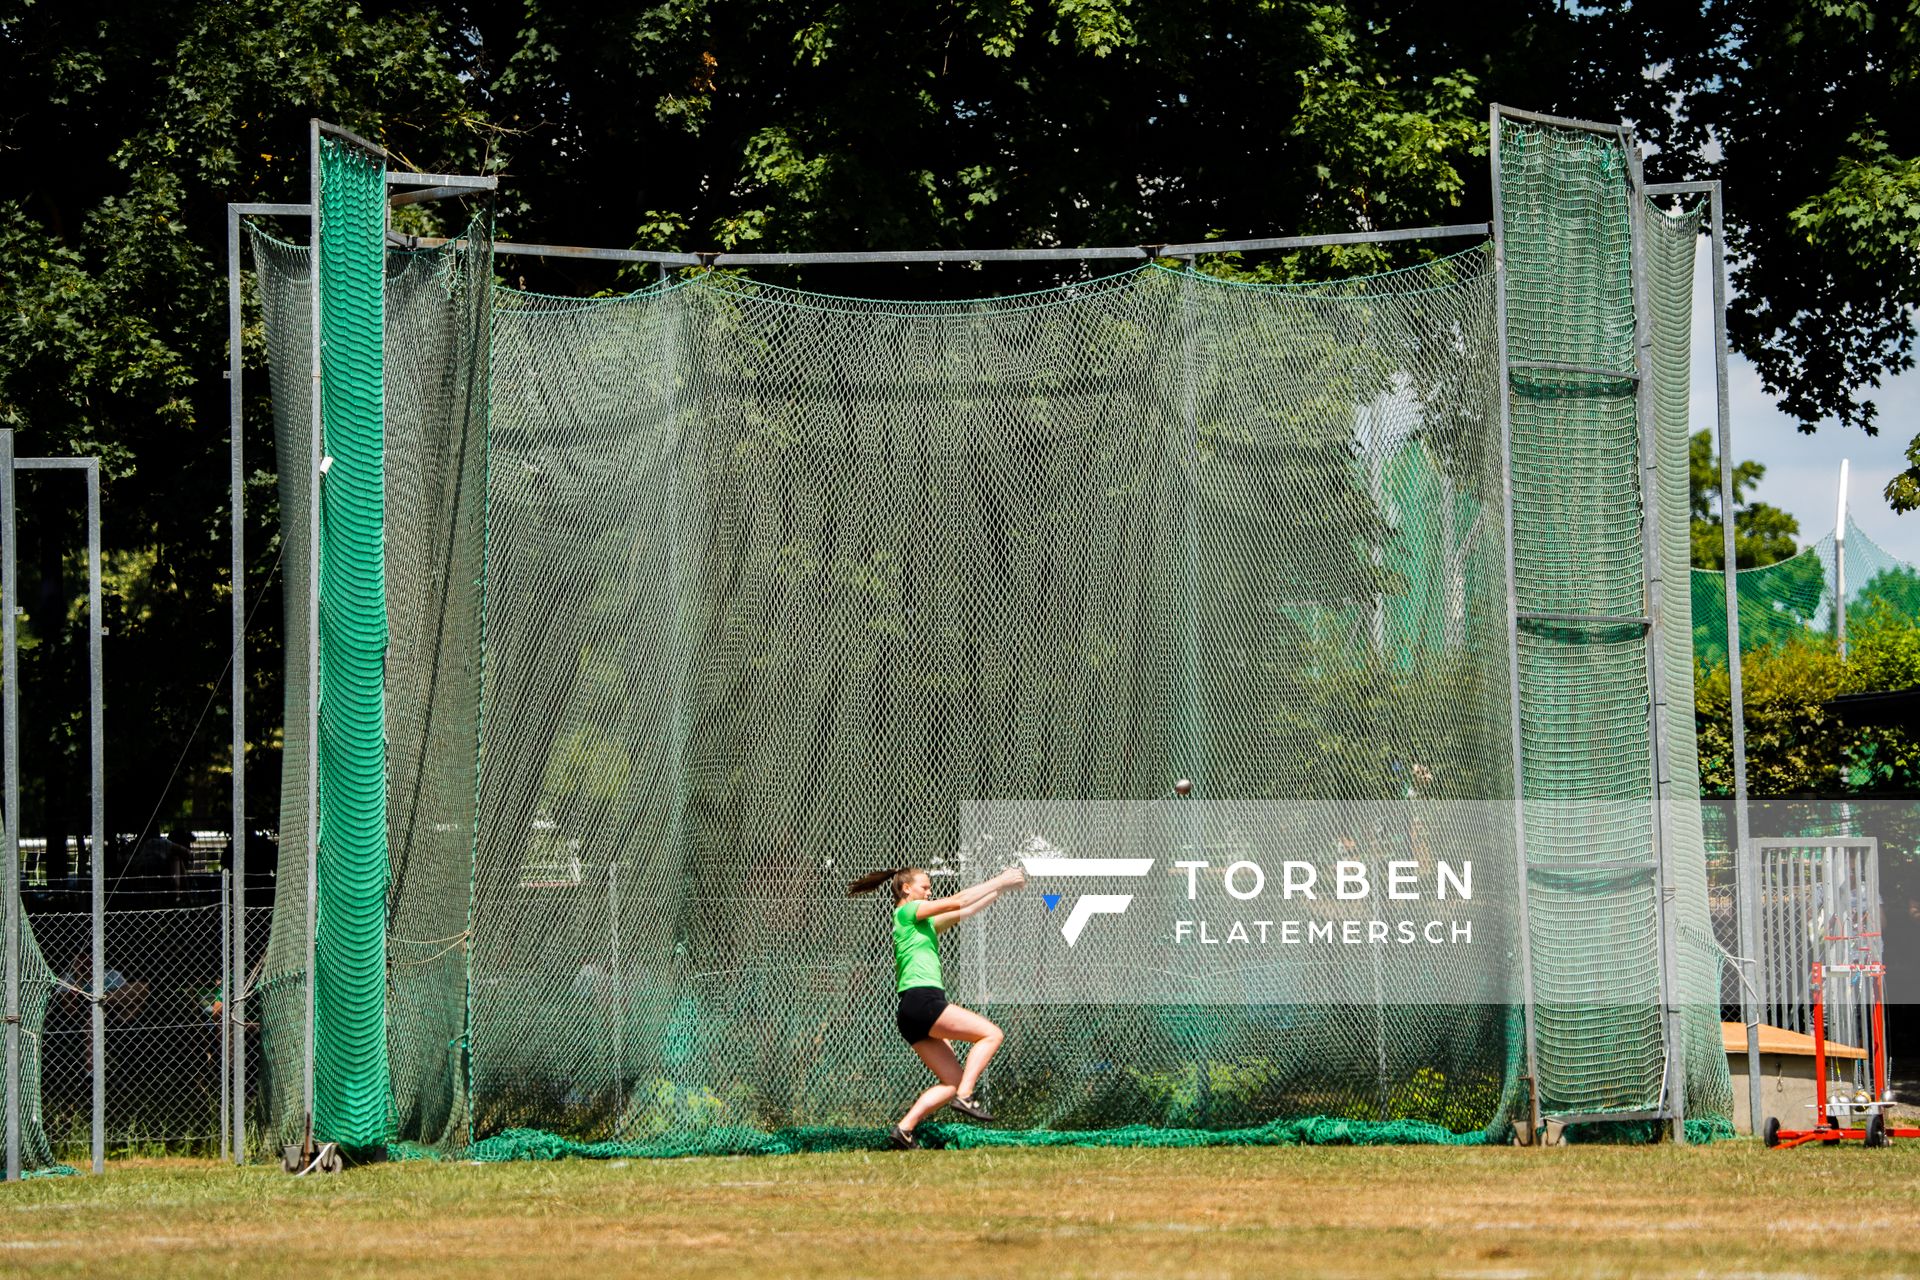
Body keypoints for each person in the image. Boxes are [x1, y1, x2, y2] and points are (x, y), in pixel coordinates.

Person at [847, 863, 1026, 1149]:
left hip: (910, 1011)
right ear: (906, 888)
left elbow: (964, 910)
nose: (930, 892)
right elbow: (958, 899)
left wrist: (1001, 888)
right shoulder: (907, 911)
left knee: (951, 1081)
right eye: (925, 887)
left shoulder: (923, 923)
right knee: (991, 1034)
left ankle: (904, 1130)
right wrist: (999, 878)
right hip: (923, 1000)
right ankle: (966, 1097)